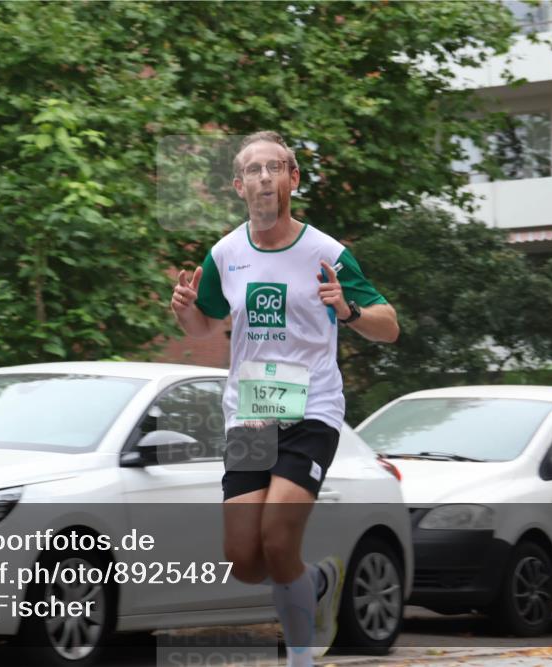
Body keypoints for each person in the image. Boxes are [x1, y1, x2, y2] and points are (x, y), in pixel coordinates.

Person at [170, 131, 399, 665]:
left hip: (312, 410)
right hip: (251, 414)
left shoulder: (327, 254)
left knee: (277, 538)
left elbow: (389, 327)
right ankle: (316, 580)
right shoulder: (226, 253)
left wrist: (347, 310)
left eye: (275, 168)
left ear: (293, 178)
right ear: (238, 185)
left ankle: (299, 654)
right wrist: (184, 309)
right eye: (253, 170)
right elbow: (205, 325)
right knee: (245, 560)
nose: (264, 178)